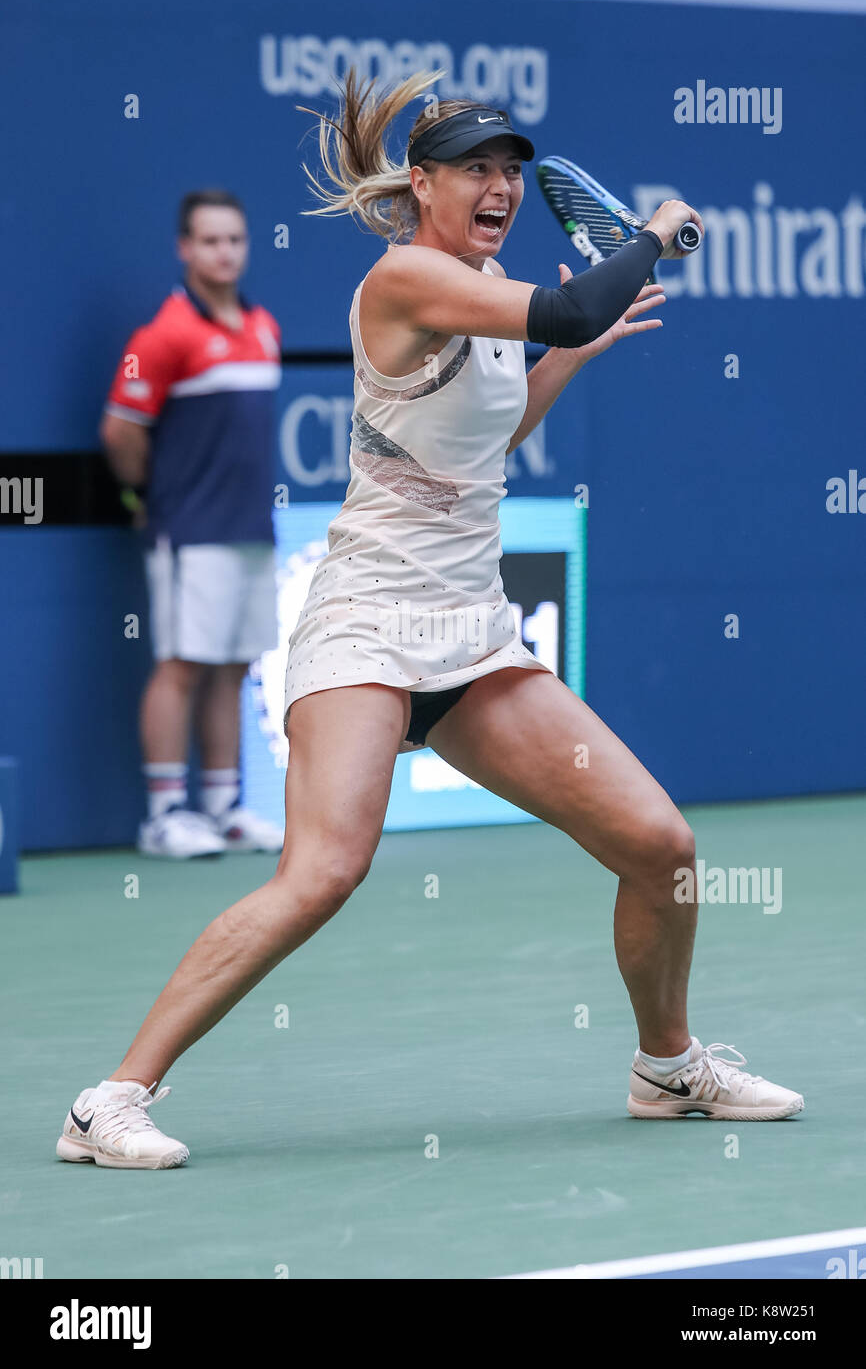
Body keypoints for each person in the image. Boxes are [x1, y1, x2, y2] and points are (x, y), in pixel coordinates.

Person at [56, 71, 802, 1170]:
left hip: (475, 635)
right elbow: (578, 298)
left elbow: (491, 436)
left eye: (510, 171)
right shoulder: (406, 277)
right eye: (475, 171)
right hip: (363, 622)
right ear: (422, 185)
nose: (499, 187)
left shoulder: (486, 287)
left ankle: (664, 1064)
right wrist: (648, 235)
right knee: (321, 872)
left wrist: (570, 356)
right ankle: (107, 1101)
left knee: (660, 848)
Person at [101, 190, 285, 859]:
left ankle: (223, 806)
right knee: (180, 665)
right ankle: (163, 813)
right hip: (189, 530)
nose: (224, 252)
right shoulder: (161, 337)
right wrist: (146, 496)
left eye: (235, 239)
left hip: (251, 529)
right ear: (185, 249)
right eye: (210, 241)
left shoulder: (264, 326)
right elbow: (120, 430)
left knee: (233, 667)